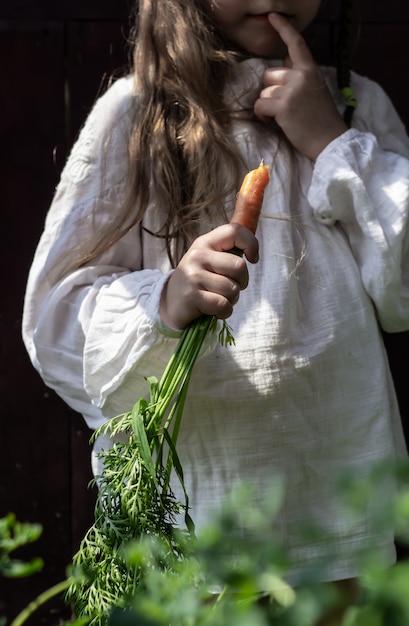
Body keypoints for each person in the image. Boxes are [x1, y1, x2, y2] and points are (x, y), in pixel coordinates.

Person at [22, 0, 409, 610]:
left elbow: (402, 292)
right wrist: (165, 299)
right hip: (194, 511)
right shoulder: (135, 113)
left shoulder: (356, 105)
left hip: (338, 507)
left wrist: (333, 142)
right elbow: (54, 321)